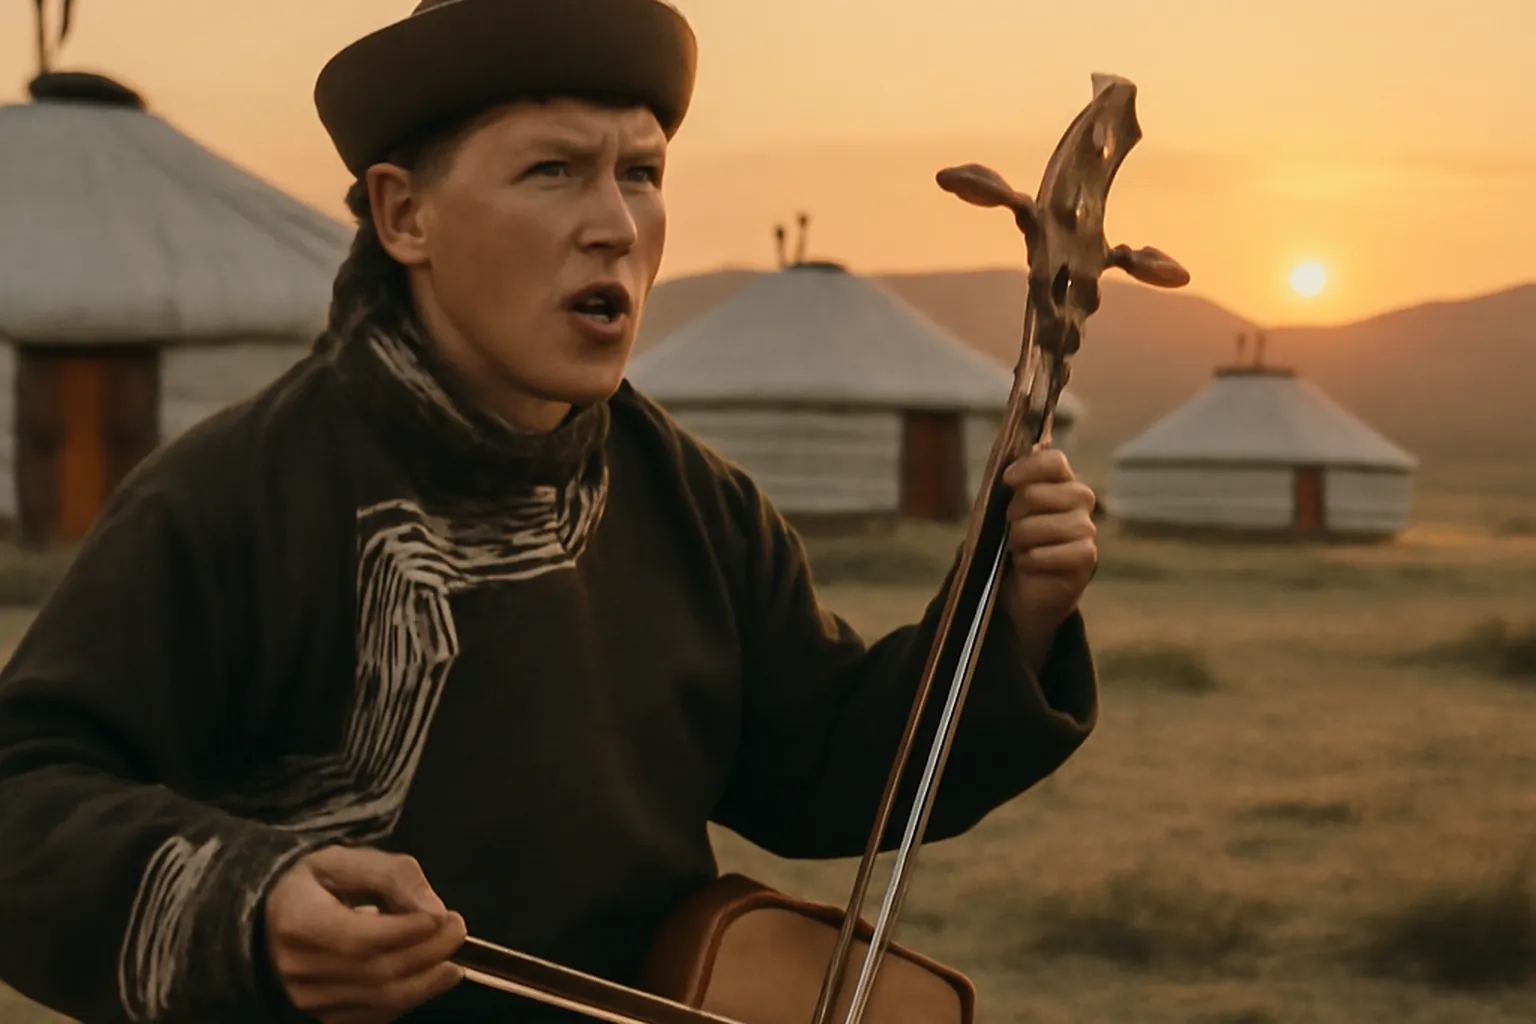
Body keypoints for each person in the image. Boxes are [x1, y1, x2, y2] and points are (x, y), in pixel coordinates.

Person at [0, 0, 1101, 1021]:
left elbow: (828, 766)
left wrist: (1014, 618)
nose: (615, 223)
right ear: (405, 215)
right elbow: (23, 794)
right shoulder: (235, 497)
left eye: (642, 173)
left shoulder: (696, 504)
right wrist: (251, 902)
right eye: (553, 170)